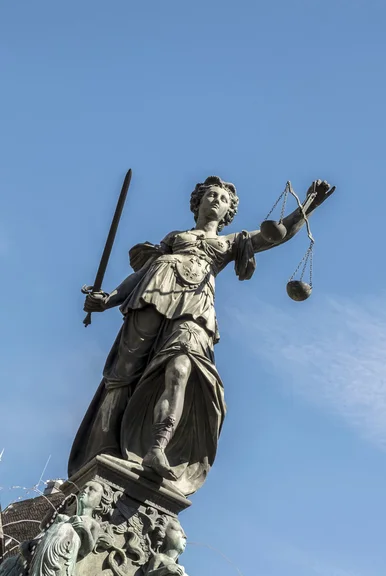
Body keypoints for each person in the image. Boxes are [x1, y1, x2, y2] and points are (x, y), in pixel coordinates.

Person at [68, 176, 334, 496]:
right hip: (152, 295)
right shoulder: (175, 238)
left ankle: (157, 446)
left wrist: (307, 207)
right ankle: (102, 449)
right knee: (122, 376)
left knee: (182, 369)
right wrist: (108, 299)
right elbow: (139, 274)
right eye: (211, 195)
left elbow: (275, 236)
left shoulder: (230, 242)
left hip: (196, 308)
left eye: (222, 198)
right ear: (198, 202)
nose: (215, 200)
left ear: (228, 212)